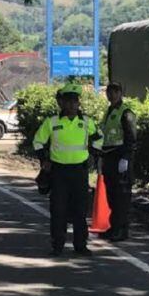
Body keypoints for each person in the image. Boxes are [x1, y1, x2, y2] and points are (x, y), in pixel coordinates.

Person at [33, 83, 101, 256]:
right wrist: (44, 160)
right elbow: (37, 141)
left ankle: (81, 245)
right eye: (68, 101)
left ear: (79, 103)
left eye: (75, 101)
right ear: (61, 103)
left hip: (80, 171)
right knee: (58, 210)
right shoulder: (52, 122)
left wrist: (94, 156)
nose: (72, 105)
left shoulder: (86, 122)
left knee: (80, 210)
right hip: (59, 173)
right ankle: (57, 246)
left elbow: (99, 138)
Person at [100, 82, 137, 241]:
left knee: (121, 196)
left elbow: (131, 138)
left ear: (121, 93)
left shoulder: (126, 112)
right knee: (111, 195)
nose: (112, 95)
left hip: (120, 157)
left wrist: (126, 158)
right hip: (109, 156)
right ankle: (113, 227)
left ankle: (122, 230)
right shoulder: (109, 111)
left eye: (115, 92)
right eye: (109, 92)